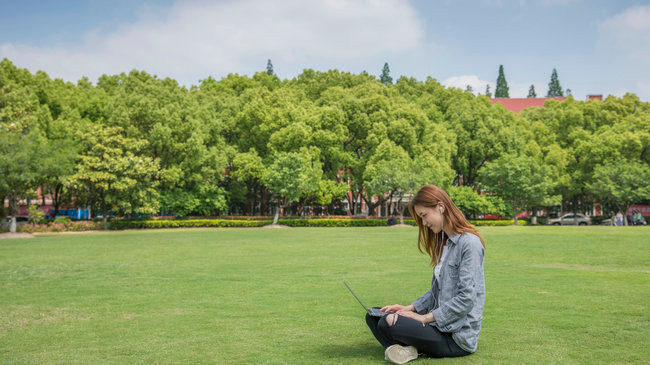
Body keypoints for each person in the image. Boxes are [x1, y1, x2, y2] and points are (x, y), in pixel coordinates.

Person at [365, 184, 486, 363]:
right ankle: (410, 350)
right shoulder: (442, 244)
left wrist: (424, 318)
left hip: (456, 337)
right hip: (437, 326)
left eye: (424, 215)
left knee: (387, 322)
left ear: (441, 207)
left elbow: (466, 298)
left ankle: (409, 349)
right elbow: (436, 292)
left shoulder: (470, 244)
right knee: (374, 316)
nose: (423, 223)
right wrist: (410, 308)